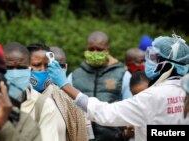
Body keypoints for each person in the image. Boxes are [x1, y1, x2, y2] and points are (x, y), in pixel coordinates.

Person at [48, 34, 189, 141]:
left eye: (153, 57)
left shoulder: (151, 97)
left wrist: (64, 85)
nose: (147, 61)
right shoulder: (185, 91)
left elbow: (105, 113)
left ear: (168, 65)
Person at [67, 31, 131, 140]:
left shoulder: (123, 75)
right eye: (91, 49)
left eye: (99, 49)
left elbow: (129, 108)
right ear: (86, 49)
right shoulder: (74, 75)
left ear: (107, 50)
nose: (95, 52)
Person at [27, 43, 88, 141]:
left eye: (47, 65)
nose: (43, 70)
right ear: (26, 67)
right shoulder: (17, 98)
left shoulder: (68, 100)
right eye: (37, 65)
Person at [3, 42, 59, 141]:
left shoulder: (44, 105)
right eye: (9, 68)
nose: (15, 74)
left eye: (21, 68)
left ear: (28, 69)